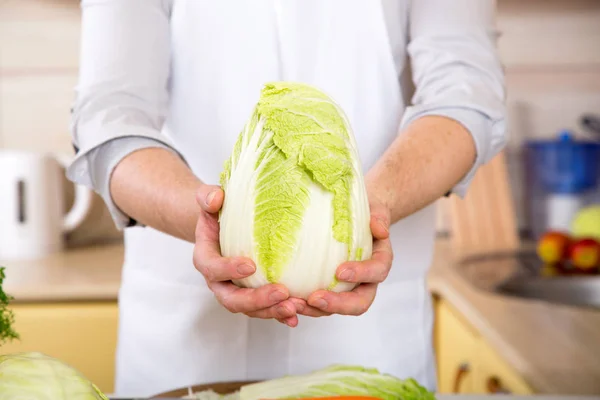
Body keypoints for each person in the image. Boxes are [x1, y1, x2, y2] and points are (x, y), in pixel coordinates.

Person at [67, 0, 506, 396]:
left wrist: (364, 209)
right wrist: (209, 217)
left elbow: (465, 95)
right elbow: (109, 116)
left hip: (370, 341)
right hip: (183, 339)